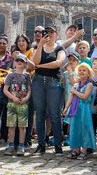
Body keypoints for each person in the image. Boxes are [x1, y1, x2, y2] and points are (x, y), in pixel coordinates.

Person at [31, 24, 66, 155]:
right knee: (39, 114)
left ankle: (58, 144)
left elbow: (58, 63)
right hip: (38, 81)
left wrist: (39, 66)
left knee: (55, 114)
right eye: (47, 32)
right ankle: (41, 144)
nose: (49, 34)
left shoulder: (60, 48)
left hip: (53, 82)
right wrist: (40, 45)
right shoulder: (37, 47)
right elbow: (34, 60)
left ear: (56, 34)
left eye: (52, 32)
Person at [63, 63, 96, 160]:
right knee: (75, 128)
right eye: (80, 70)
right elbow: (71, 97)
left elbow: (85, 97)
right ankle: (75, 149)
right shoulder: (76, 85)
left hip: (84, 109)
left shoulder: (89, 85)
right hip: (75, 109)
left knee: (85, 129)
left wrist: (75, 92)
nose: (82, 72)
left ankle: (84, 150)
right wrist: (66, 107)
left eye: (84, 70)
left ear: (88, 74)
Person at [2, 53, 31, 156]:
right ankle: (10, 145)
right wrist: (13, 97)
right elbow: (5, 89)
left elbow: (29, 90)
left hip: (23, 104)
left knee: (22, 127)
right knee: (11, 126)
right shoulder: (10, 75)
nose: (19, 62)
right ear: (14, 62)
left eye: (22, 61)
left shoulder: (27, 76)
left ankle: (21, 145)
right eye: (17, 60)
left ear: (25, 64)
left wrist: (26, 98)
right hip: (12, 104)